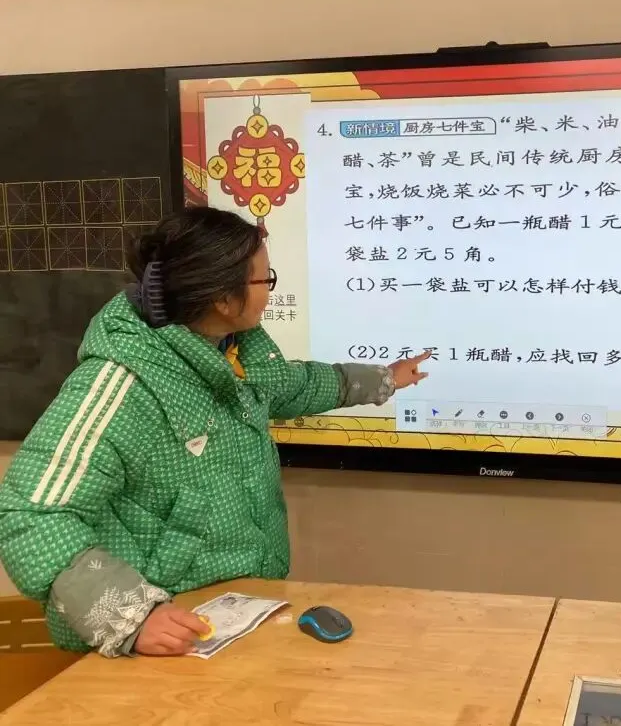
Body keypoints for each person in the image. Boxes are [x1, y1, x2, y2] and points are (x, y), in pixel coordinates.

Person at [0, 207, 431, 657]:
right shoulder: (123, 385)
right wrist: (132, 617)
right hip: (165, 642)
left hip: (236, 616)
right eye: (264, 280)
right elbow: (30, 516)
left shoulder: (234, 355)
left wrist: (383, 380)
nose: (269, 292)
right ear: (223, 300)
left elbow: (296, 385)